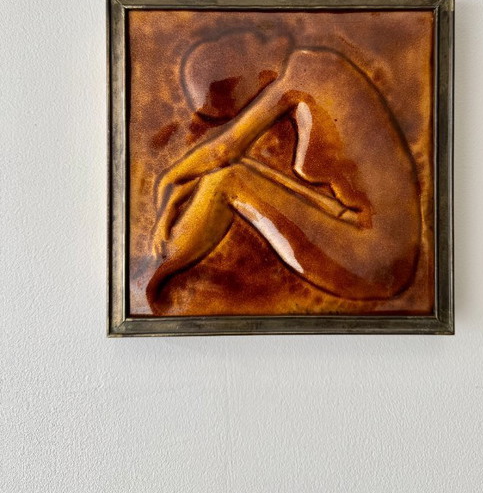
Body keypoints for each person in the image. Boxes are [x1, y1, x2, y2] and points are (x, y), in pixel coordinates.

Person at [146, 31, 421, 306]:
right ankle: (166, 258)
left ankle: (160, 271)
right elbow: (220, 160)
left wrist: (168, 181)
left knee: (229, 179)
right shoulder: (313, 68)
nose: (238, 113)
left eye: (230, 103)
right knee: (237, 171)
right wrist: (177, 195)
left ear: (240, 73)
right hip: (363, 232)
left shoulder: (309, 73)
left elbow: (222, 152)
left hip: (376, 259)